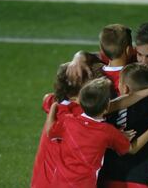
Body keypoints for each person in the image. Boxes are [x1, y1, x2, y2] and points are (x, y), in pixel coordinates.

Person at [44, 77, 148, 188]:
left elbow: (50, 131)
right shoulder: (107, 131)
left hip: (59, 183)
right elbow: (131, 148)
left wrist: (54, 107)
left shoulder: (69, 120)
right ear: (106, 108)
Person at [31, 54, 104, 188]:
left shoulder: (52, 103)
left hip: (40, 183)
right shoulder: (85, 116)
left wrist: (78, 58)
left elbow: (47, 98)